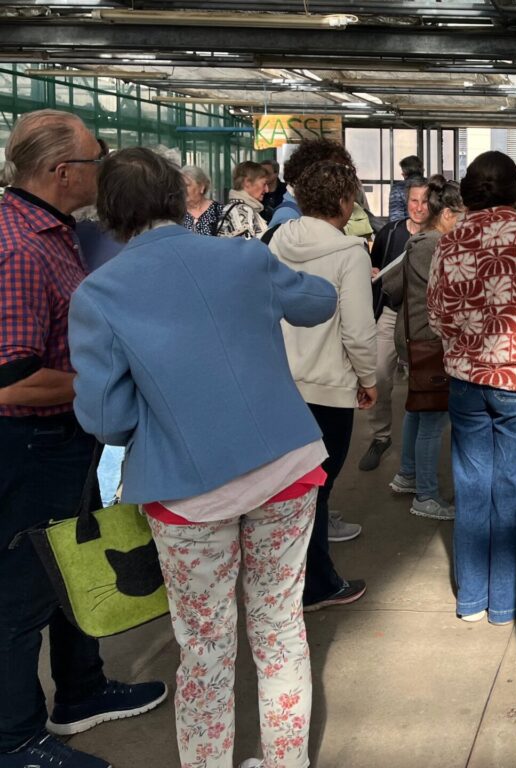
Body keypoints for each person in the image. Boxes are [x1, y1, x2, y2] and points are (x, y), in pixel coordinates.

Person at [68, 147, 338, 768]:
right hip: (286, 470)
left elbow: (107, 421)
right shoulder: (243, 256)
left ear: (108, 214)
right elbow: (317, 303)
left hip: (187, 494)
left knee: (206, 649)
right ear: (178, 195)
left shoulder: (99, 293)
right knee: (279, 632)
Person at [0, 110, 166, 768]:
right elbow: (10, 380)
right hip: (30, 446)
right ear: (62, 171)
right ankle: (14, 737)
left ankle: (82, 690)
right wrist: (102, 380)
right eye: (96, 159)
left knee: (76, 566)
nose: (104, 169)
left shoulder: (57, 233)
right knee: (22, 593)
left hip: (66, 442)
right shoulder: (17, 246)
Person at [427, 151, 516, 624]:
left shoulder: (449, 244)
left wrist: (467, 340)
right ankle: (507, 602)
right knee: (513, 485)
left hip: (466, 380)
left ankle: (470, 599)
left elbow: (436, 314)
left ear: (469, 192)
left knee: (471, 484)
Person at [269, 159, 376, 609]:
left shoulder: (275, 240)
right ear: (343, 201)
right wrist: (369, 379)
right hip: (327, 389)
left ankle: (283, 581)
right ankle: (317, 584)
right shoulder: (349, 252)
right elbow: (356, 329)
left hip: (277, 386)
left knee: (284, 492)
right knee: (318, 489)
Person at [381, 177, 463, 520]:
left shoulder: (418, 241)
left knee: (417, 408)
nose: (464, 224)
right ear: (446, 214)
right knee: (433, 417)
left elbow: (392, 285)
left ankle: (408, 474)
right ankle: (426, 496)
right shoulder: (435, 245)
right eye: (462, 216)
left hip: (414, 338)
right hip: (430, 340)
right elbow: (453, 293)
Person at [358, 176, 430, 472]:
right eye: (414, 200)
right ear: (406, 201)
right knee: (379, 372)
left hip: (423, 315)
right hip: (390, 312)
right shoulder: (390, 233)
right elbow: (373, 270)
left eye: (425, 201)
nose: (419, 207)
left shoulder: (440, 236)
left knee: (424, 379)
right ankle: (381, 435)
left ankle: (422, 440)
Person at [217, 160, 269, 240]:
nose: (267, 190)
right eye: (264, 184)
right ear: (247, 182)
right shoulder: (243, 211)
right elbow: (246, 250)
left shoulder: (234, 208)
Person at [181, 164, 224, 236]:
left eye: (186, 185)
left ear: (201, 187)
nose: (182, 189)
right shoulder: (175, 213)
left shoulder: (219, 211)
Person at [388, 154, 424, 222]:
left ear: (405, 172)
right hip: (432, 230)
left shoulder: (398, 188)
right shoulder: (432, 185)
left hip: (407, 230)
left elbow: (395, 218)